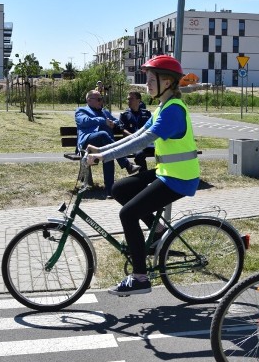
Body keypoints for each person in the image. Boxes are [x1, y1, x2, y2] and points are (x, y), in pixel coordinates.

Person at [85, 55, 200, 296]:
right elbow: (135, 137)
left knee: (128, 214)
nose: (146, 84)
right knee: (119, 189)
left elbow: (143, 142)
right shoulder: (163, 107)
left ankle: (140, 278)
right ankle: (157, 231)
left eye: (150, 79)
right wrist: (102, 150)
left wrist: (104, 157)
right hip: (166, 173)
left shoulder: (174, 111)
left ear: (167, 82)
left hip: (180, 178)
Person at [75, 90, 140, 197]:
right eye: (99, 99)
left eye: (102, 99)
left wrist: (113, 123)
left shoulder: (104, 112)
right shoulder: (81, 111)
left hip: (102, 144)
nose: (101, 102)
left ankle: (110, 190)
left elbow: (118, 122)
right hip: (87, 144)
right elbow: (84, 121)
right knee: (103, 135)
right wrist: (102, 120)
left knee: (108, 154)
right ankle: (126, 164)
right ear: (89, 100)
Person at [119, 90, 153, 170]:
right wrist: (135, 137)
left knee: (162, 152)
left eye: (131, 99)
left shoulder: (147, 114)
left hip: (148, 142)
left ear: (139, 100)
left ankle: (160, 177)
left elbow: (152, 127)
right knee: (139, 154)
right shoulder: (124, 115)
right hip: (134, 143)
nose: (129, 101)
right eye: (128, 99)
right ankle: (144, 178)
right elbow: (123, 130)